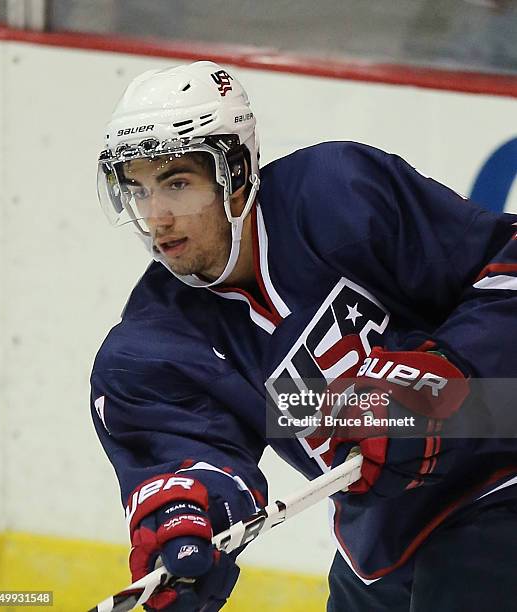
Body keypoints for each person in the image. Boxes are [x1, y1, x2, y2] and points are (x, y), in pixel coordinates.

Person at [92, 60, 517, 611]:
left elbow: (504, 269)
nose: (158, 218)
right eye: (139, 190)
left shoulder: (338, 196)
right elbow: (192, 463)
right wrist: (183, 526)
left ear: (237, 174)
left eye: (177, 183)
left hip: (501, 474)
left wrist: (438, 388)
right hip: (382, 545)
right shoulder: (152, 350)